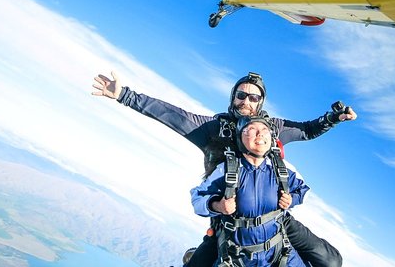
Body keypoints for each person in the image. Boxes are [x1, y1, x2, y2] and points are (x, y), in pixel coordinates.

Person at [92, 71, 357, 267]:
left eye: (254, 97)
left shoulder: (272, 128)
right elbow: (170, 114)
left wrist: (333, 118)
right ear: (233, 98)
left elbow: (307, 130)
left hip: (275, 218)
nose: (246, 101)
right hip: (227, 222)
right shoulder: (213, 129)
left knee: (331, 263)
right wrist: (124, 95)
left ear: (260, 103)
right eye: (241, 95)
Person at [191, 115, 308, 266]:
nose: (260, 134)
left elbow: (303, 189)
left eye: (265, 130)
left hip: (280, 254)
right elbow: (197, 197)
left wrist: (292, 199)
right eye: (251, 129)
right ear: (240, 138)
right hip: (237, 259)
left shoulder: (282, 168)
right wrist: (217, 205)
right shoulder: (227, 170)